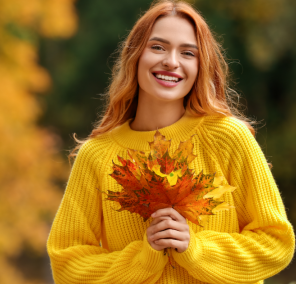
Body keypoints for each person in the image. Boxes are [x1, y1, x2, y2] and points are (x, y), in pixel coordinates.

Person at [46, 1, 295, 283]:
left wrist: (196, 249)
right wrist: (144, 256)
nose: (172, 61)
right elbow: (68, 264)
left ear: (201, 66)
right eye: (158, 47)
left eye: (188, 53)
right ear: (135, 55)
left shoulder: (228, 138)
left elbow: (276, 243)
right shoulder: (97, 155)